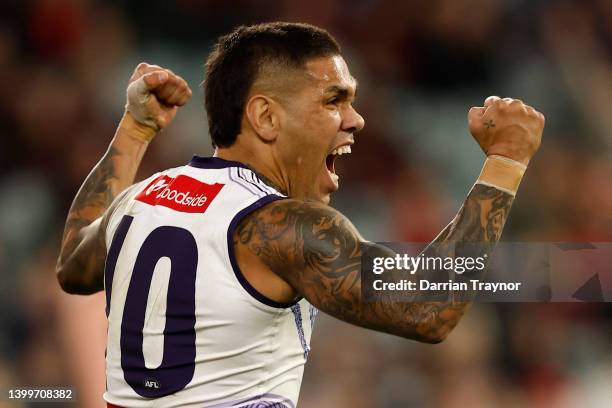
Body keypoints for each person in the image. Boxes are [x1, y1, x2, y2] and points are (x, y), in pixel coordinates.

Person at [56, 22, 544, 408]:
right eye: (335, 100)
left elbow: (74, 265)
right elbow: (428, 309)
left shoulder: (143, 198)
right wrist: (506, 161)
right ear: (266, 117)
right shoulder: (280, 225)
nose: (356, 119)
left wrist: (135, 130)